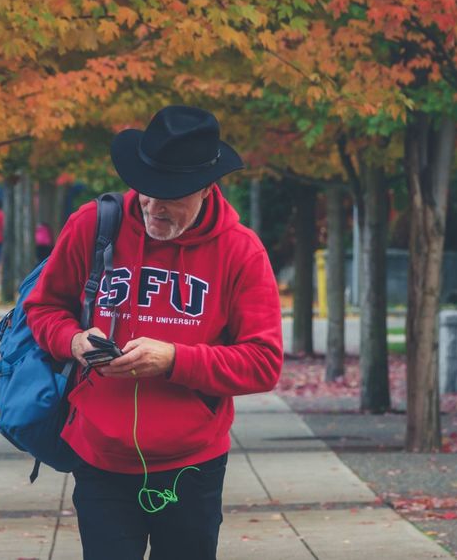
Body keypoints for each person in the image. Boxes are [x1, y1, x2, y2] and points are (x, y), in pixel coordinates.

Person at [23, 106, 283, 560]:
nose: (152, 205)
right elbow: (44, 308)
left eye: (170, 195)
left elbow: (263, 362)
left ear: (206, 187)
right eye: (146, 189)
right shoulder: (93, 224)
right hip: (100, 456)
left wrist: (175, 360)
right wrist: (73, 341)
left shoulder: (240, 250)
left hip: (192, 465)